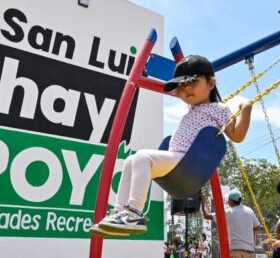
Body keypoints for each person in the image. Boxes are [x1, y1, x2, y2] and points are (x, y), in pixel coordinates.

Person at [93, 55, 253, 234]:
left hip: (187, 160)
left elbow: (237, 136)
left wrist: (246, 108)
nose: (187, 88)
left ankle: (134, 211)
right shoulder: (192, 110)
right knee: (130, 160)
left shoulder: (219, 108)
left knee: (142, 157)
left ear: (211, 83)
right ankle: (120, 211)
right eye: (182, 85)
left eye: (193, 81)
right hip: (176, 159)